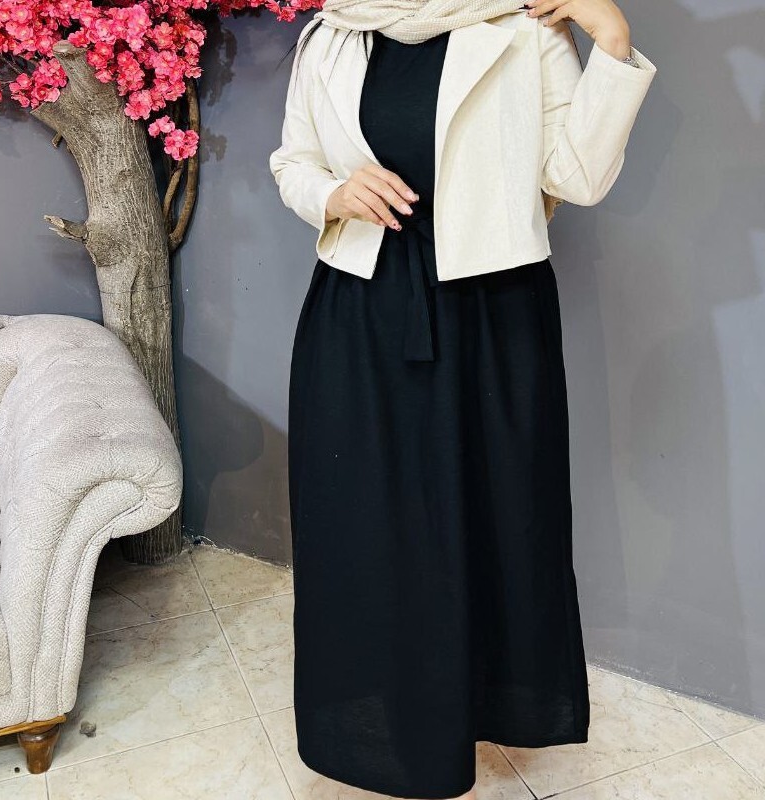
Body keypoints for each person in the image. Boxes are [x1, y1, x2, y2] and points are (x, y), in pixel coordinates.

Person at [269, 2, 657, 798]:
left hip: (491, 312)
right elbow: (290, 161)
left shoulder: (523, 28)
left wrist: (612, 40)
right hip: (360, 308)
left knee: (493, 520)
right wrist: (333, 192)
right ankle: (381, 734)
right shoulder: (333, 33)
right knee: (364, 529)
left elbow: (578, 178)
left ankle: (477, 715)